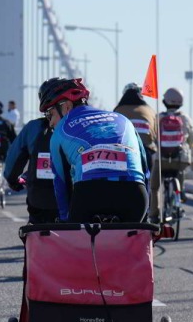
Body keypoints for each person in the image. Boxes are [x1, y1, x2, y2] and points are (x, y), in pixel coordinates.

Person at [46, 77, 148, 223]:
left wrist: (65, 220)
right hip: (135, 195)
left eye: (50, 114)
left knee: (80, 235)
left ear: (66, 106)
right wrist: (145, 218)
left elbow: (61, 182)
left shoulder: (60, 131)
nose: (50, 123)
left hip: (88, 195)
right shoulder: (123, 119)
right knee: (132, 236)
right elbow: (145, 169)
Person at [4, 81, 60, 223]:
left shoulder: (33, 128)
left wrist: (13, 181)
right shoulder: (81, 127)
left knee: (37, 229)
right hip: (75, 201)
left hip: (40, 199)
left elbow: (13, 159)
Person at [114, 82, 162, 225]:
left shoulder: (118, 110)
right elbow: (156, 134)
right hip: (147, 151)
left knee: (121, 182)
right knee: (149, 184)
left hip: (124, 152)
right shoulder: (150, 110)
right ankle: (149, 214)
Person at [158, 87, 193, 207]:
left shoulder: (159, 117)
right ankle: (181, 191)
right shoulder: (185, 118)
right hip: (180, 158)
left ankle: (155, 207)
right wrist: (187, 149)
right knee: (180, 171)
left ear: (165, 101)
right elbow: (192, 138)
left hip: (161, 158)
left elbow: (153, 137)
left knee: (155, 181)